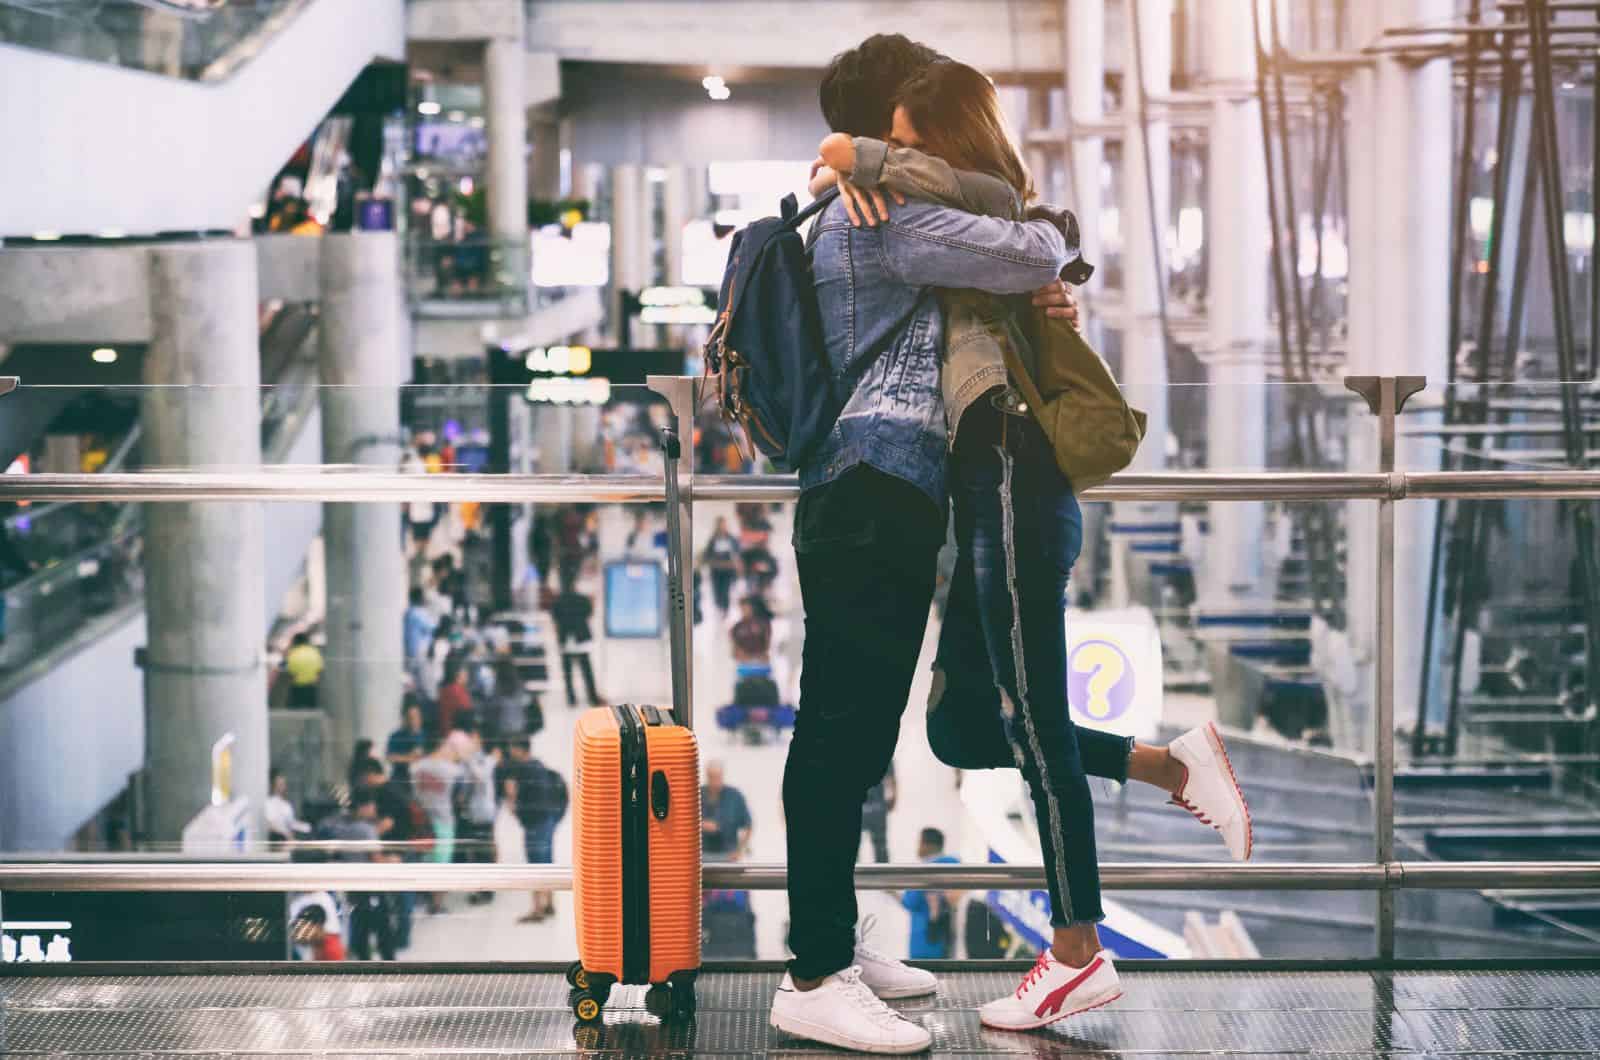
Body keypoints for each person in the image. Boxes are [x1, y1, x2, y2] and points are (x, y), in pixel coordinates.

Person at [817, 52, 1257, 1036]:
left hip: (1014, 470)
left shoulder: (997, 228)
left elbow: (1017, 229)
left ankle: (1075, 952)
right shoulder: (967, 230)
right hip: (985, 489)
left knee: (1030, 714)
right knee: (963, 725)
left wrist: (866, 161)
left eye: (911, 141)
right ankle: (1169, 767)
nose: (900, 159)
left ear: (940, 143)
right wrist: (868, 169)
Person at [768, 34, 1090, 1055]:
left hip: (883, 494)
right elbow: (1034, 245)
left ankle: (836, 945)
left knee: (858, 736)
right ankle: (812, 972)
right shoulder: (884, 213)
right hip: (865, 489)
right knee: (839, 732)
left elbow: (1020, 264)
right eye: (906, 129)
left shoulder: (877, 202)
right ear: (884, 136)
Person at [498, 736, 569, 922]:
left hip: (535, 823)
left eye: (513, 748)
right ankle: (550, 903)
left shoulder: (520, 770)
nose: (511, 753)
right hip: (548, 819)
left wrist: (511, 802)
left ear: (520, 749)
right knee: (546, 862)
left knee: (535, 867)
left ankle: (537, 909)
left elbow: (512, 796)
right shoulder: (539, 765)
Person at [410, 734, 463, 914]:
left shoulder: (416, 768)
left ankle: (425, 898)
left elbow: (414, 792)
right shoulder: (452, 770)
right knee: (442, 863)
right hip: (444, 820)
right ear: (441, 746)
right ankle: (437, 903)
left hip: (422, 820)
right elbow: (460, 794)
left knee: (425, 860)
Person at [901, 828, 958, 960]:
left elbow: (910, 902)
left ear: (929, 845)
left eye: (919, 843)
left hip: (923, 939)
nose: (918, 847)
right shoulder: (953, 865)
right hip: (946, 937)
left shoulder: (923, 871)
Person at [551, 576, 601, 708]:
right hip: (581, 637)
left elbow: (555, 618)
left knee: (567, 671)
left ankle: (571, 698)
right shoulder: (582, 599)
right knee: (586, 669)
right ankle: (592, 697)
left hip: (566, 638)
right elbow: (589, 613)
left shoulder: (558, 601)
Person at [700, 760, 752, 862]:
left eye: (717, 777)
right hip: (701, 856)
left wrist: (739, 851)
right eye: (711, 777)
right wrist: (701, 825)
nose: (714, 781)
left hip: (728, 856)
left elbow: (748, 826)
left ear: (722, 776)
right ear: (707, 776)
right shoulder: (697, 794)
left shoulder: (735, 796)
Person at [702, 515, 741, 614]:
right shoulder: (712, 540)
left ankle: (725, 611)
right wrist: (714, 562)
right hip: (716, 571)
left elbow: (737, 554)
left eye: (723, 524)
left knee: (726, 592)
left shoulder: (732, 539)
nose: (722, 527)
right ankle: (719, 610)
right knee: (717, 594)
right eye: (720, 525)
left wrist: (735, 564)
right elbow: (707, 556)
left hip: (728, 571)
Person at [265, 768, 312, 844]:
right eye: (280, 784)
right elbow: (270, 824)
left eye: (283, 784)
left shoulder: (286, 805)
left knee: (308, 830)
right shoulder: (269, 803)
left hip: (289, 834)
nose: (282, 787)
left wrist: (305, 827)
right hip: (278, 837)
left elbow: (291, 823)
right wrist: (285, 833)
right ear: (274, 785)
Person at [860, 766, 895, 865]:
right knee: (880, 844)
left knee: (880, 844)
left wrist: (892, 795)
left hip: (876, 806)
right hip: (877, 807)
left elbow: (890, 779)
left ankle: (884, 870)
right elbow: (891, 779)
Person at [385, 704, 427, 784]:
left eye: (416, 717)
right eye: (410, 717)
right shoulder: (395, 736)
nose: (413, 720)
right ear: (404, 718)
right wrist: (410, 758)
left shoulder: (425, 736)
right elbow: (390, 757)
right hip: (401, 778)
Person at [284, 632, 324, 710]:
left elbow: (288, 669)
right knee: (312, 710)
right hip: (311, 686)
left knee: (294, 710)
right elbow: (319, 668)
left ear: (295, 641)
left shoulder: (293, 653)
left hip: (297, 686)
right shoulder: (314, 652)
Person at [437, 663, 474, 738]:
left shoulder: (445, 690)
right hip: (456, 735)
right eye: (465, 674)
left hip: (445, 732)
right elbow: (467, 713)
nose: (468, 677)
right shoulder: (458, 692)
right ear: (458, 675)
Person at [404, 587, 436, 662]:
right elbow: (432, 628)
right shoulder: (419, 613)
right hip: (419, 651)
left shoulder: (409, 612)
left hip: (409, 651)